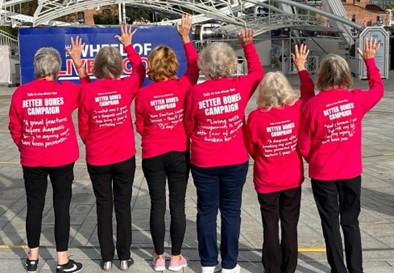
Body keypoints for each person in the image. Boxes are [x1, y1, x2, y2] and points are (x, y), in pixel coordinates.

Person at [298, 38, 384, 273]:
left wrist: (302, 71)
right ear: (346, 75)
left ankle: (338, 269)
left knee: (330, 224)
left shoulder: (312, 106)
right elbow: (378, 89)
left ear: (322, 76)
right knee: (350, 221)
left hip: (323, 173)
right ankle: (356, 269)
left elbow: (303, 144)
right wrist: (370, 61)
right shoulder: (356, 99)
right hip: (351, 172)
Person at [184, 28, 264, 273]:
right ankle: (230, 264)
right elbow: (258, 73)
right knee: (231, 211)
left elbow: (188, 125)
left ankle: (208, 263)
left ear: (205, 67)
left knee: (206, 211)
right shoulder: (240, 86)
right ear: (231, 65)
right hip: (234, 159)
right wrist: (248, 45)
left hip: (204, 160)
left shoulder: (195, 92)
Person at [8, 38, 89, 273]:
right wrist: (78, 61)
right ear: (57, 69)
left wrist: (26, 146)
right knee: (61, 206)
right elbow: (87, 89)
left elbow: (14, 126)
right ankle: (62, 260)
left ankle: (32, 258)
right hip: (62, 158)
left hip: (32, 158)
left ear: (36, 68)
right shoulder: (66, 91)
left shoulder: (22, 93)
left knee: (34, 206)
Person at [77, 25, 146, 271]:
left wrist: (93, 143)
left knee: (104, 206)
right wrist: (128, 45)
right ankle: (124, 258)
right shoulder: (126, 87)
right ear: (118, 67)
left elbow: (83, 128)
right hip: (124, 156)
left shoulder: (87, 90)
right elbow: (141, 69)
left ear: (97, 67)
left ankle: (106, 258)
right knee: (123, 206)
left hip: (98, 158)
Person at [134, 15, 198, 272]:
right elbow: (194, 66)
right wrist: (185, 37)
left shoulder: (143, 93)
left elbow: (140, 125)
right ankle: (176, 257)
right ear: (173, 64)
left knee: (157, 205)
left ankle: (159, 257)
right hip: (179, 152)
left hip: (153, 154)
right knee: (178, 206)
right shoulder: (183, 85)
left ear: (151, 66)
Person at [245, 44, 314, 273]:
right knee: (290, 225)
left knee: (270, 226)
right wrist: (302, 68)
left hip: (267, 180)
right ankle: (289, 267)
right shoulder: (298, 111)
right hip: (291, 178)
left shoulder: (255, 118)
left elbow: (252, 148)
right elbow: (308, 94)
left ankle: (272, 268)